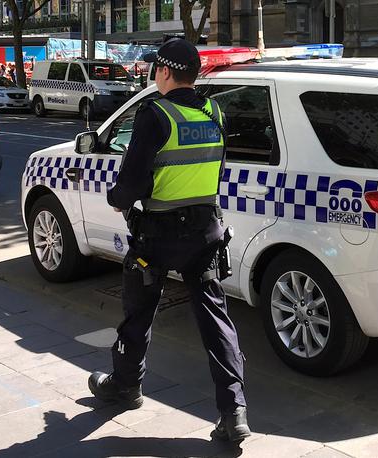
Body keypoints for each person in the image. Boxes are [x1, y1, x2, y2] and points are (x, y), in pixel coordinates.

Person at [88, 38, 251, 443]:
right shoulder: (215, 112)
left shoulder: (154, 115)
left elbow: (130, 185)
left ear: (163, 71)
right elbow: (215, 168)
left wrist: (116, 199)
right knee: (216, 321)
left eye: (153, 69)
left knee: (139, 311)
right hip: (206, 232)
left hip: (158, 234)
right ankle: (234, 413)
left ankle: (126, 386)